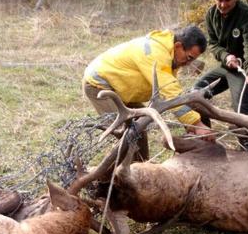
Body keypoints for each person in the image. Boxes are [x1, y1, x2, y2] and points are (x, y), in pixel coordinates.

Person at [82, 25, 214, 161]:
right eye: (189, 57)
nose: (188, 63)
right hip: (99, 86)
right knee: (126, 135)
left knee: (139, 128)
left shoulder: (169, 54)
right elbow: (170, 93)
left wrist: (192, 121)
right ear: (178, 46)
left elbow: (171, 89)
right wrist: (196, 124)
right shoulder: (156, 53)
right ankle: (107, 178)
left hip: (121, 89)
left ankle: (142, 172)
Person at [193, 0, 248, 152]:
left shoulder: (247, 14)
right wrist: (226, 56)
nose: (223, 4)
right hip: (225, 67)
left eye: (228, 0)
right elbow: (213, 44)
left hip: (242, 70)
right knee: (196, 93)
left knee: (241, 107)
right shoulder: (211, 14)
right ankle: (206, 140)